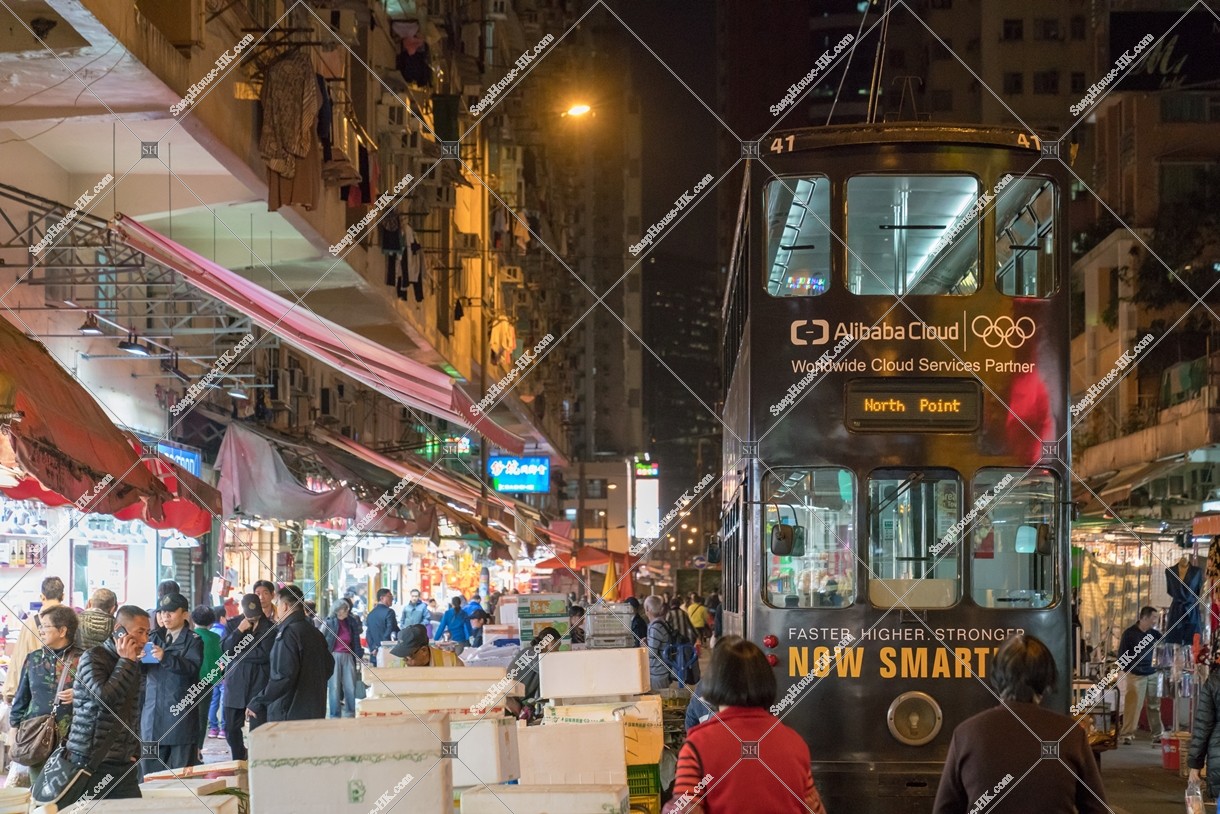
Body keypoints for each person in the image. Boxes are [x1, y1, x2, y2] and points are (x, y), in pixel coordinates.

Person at [933, 634, 1108, 813]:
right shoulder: (1071, 735)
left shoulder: (966, 733)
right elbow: (1096, 809)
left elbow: (945, 809)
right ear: (1047, 679)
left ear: (996, 677)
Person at [671, 636, 826, 813]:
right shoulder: (795, 743)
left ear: (713, 683)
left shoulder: (697, 747)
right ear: (766, 682)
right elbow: (814, 809)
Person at [64, 605, 150, 800]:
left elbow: (131, 710)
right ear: (119, 630)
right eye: (139, 632)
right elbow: (105, 699)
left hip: (123, 762)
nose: (144, 640)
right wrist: (126, 662)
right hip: (92, 761)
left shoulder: (131, 662)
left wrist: (134, 750)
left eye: (147, 633)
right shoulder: (93, 658)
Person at [11, 606, 82, 788]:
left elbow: (101, 696)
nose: (40, 631)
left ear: (62, 630)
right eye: (40, 627)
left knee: (66, 791)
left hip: (72, 739)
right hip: (36, 738)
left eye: (45, 626)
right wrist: (14, 730)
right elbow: (22, 697)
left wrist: (79, 694)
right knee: (38, 790)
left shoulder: (83, 659)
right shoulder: (33, 658)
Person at [247, 585, 334, 724]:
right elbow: (329, 666)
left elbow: (283, 676)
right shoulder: (315, 632)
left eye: (278, 604)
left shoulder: (288, 634)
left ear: (285, 606)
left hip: (289, 712)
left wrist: (259, 701)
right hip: (315, 709)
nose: (277, 609)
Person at [141, 593, 204, 770]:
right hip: (152, 718)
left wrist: (165, 657)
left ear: (185, 614)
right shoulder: (153, 637)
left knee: (180, 777)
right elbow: (143, 673)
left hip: (179, 718)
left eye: (171, 612)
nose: (165, 616)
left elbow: (191, 669)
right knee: (149, 777)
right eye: (162, 612)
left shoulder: (194, 640)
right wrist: (135, 659)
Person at [221, 594, 275, 761]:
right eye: (249, 615)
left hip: (258, 683)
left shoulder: (270, 628)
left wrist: (238, 654)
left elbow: (264, 654)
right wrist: (239, 631)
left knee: (258, 730)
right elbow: (225, 651)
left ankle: (257, 761)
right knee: (230, 727)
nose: (253, 618)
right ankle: (239, 757)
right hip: (235, 683)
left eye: (256, 615)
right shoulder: (233, 625)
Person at [4, 577, 66, 703]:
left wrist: (9, 693)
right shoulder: (72, 621)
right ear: (63, 596)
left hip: (35, 695)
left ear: (42, 597)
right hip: (64, 693)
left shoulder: (31, 624)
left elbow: (19, 660)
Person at [1117, 606, 1163, 744]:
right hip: (1136, 675)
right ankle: (1127, 734)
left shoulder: (1154, 634)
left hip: (1153, 673)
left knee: (1154, 705)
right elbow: (1122, 656)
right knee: (1133, 705)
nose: (1155, 621)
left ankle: (1157, 734)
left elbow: (1164, 648)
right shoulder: (1129, 634)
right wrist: (1129, 670)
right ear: (1144, 618)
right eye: (1153, 618)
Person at [505, 627, 562, 718]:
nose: (558, 651)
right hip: (509, 701)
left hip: (518, 701)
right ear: (550, 643)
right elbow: (545, 670)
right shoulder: (531, 653)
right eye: (557, 647)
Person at [190, 605, 222, 763]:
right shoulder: (215, 638)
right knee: (202, 718)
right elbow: (219, 661)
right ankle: (198, 750)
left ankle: (189, 749)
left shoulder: (189, 636)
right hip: (207, 683)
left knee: (189, 717)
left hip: (189, 682)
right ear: (211, 621)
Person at [322, 598, 364, 718]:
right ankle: (335, 714)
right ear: (338, 610)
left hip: (348, 655)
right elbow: (322, 638)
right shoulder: (329, 622)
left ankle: (350, 712)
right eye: (345, 610)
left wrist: (358, 655)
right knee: (334, 686)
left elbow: (356, 639)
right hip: (333, 655)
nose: (347, 612)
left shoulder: (351, 621)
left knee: (350, 685)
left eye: (347, 610)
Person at [391, 624, 463, 667]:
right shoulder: (395, 666)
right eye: (402, 655)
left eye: (409, 656)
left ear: (424, 650)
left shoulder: (451, 663)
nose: (405, 661)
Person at [645, 596, 675, 690]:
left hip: (658, 672)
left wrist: (644, 645)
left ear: (648, 609)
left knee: (658, 700)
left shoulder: (655, 627)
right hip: (663, 670)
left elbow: (651, 653)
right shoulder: (662, 623)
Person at [206, 606, 227, 740]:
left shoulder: (209, 632)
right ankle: (223, 729)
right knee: (224, 700)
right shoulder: (224, 631)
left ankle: (213, 728)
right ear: (222, 618)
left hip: (212, 673)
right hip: (222, 671)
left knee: (213, 700)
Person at [364, 588, 399, 666]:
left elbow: (368, 633)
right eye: (389, 596)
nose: (392, 598)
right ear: (382, 598)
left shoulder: (371, 614)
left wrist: (373, 648)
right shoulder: (389, 612)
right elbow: (390, 630)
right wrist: (381, 646)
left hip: (374, 654)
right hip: (386, 651)